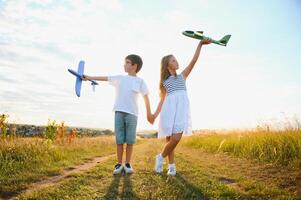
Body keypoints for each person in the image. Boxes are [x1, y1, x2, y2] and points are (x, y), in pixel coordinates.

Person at [83, 54, 153, 175]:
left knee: (130, 140)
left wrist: (149, 113)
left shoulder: (140, 81)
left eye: (127, 62)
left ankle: (127, 164)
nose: (124, 64)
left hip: (132, 114)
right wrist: (89, 77)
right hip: (119, 112)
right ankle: (119, 164)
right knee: (119, 140)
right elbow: (104, 78)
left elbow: (146, 96)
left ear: (134, 66)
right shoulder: (120, 78)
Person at [151, 39, 211, 176]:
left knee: (176, 138)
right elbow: (162, 100)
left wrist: (200, 44)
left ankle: (160, 157)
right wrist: (155, 114)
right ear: (167, 65)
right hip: (169, 109)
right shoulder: (164, 82)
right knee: (169, 139)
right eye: (173, 60)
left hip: (181, 109)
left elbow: (193, 61)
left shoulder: (182, 76)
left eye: (176, 60)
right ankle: (171, 166)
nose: (176, 62)